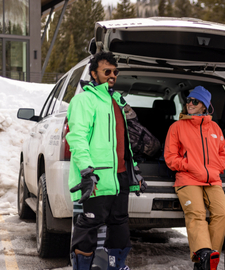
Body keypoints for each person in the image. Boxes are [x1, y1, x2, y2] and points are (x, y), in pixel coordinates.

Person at [67, 51, 146, 270]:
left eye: (115, 72)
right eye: (107, 71)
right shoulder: (84, 100)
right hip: (97, 175)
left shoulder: (117, 100)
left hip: (119, 176)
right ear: (94, 74)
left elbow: (124, 142)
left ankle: (116, 266)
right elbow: (77, 137)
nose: (112, 75)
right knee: (90, 224)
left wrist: (134, 172)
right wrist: (86, 170)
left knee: (119, 224)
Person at [164, 86, 225, 270]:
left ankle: (210, 258)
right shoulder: (177, 127)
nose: (190, 104)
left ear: (204, 107)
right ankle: (203, 255)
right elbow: (170, 157)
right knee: (197, 215)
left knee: (222, 214)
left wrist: (217, 169)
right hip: (187, 179)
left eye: (195, 101)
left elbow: (222, 153)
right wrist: (189, 165)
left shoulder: (214, 127)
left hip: (212, 180)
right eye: (189, 100)